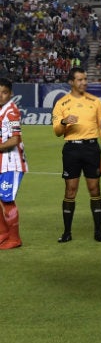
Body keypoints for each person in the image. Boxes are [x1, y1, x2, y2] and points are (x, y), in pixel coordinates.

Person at [52, 67, 101, 243]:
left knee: (94, 189)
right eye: (79, 79)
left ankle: (98, 231)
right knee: (70, 191)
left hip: (91, 149)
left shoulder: (95, 102)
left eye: (85, 79)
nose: (84, 82)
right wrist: (64, 122)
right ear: (71, 82)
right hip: (72, 150)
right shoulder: (61, 103)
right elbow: (56, 131)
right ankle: (67, 232)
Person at [0, 78, 28, 250]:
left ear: (10, 94)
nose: (1, 96)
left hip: (12, 162)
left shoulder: (11, 112)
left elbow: (14, 140)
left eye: (4, 92)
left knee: (7, 199)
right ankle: (3, 233)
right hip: (1, 162)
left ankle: (14, 238)